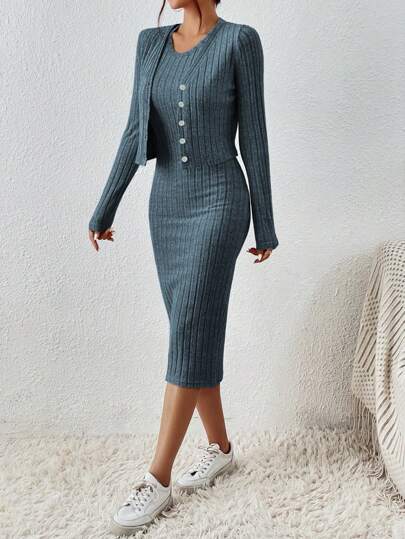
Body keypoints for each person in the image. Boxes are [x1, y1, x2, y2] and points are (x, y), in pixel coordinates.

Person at [88, 0, 279, 535]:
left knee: (190, 325)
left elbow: (254, 136)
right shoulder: (150, 45)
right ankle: (220, 447)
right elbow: (134, 132)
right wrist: (104, 208)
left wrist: (265, 223)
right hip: (166, 206)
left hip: (221, 201)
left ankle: (157, 477)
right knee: (190, 330)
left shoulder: (239, 40)